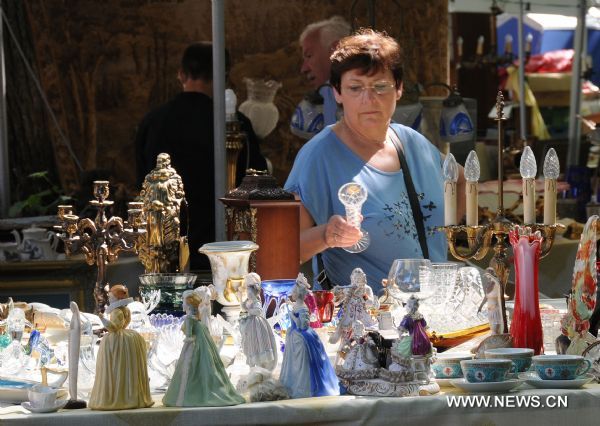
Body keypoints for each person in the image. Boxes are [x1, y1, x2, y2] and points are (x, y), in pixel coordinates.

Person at [284, 29, 465, 294]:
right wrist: (326, 235)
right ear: (337, 92)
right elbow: (286, 248)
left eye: (381, 86)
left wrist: (446, 238)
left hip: (433, 313)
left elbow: (460, 180)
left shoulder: (412, 143)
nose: (369, 99)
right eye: (355, 88)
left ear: (399, 89)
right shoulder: (318, 156)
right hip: (367, 324)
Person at [135, 42, 267, 270]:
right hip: (223, 249)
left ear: (181, 74)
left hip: (166, 249)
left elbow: (142, 182)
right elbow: (258, 183)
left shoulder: (153, 122)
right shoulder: (235, 124)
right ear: (224, 78)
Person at [162, 289, 245, 407]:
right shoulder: (197, 319)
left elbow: (189, 335)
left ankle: (187, 395)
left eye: (183, 301)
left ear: (188, 303)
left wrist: (187, 346)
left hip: (193, 343)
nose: (182, 304)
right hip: (202, 340)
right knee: (207, 363)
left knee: (190, 367)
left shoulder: (189, 319)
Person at [89, 285, 153, 410]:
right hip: (126, 337)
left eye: (111, 297)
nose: (110, 299)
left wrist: (102, 319)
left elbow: (113, 327)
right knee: (126, 366)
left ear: (117, 298)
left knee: (116, 366)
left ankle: (117, 396)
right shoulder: (125, 310)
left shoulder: (117, 311)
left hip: (117, 340)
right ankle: (128, 394)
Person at [279, 273, 339, 399]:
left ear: (299, 294)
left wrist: (292, 317)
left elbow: (303, 326)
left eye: (293, 292)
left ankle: (303, 388)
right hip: (294, 335)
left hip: (302, 337)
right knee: (293, 364)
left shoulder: (303, 308)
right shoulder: (297, 304)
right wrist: (289, 304)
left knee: (302, 364)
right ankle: (292, 385)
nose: (292, 294)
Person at [291, 16, 351, 138]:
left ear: (336, 50)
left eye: (309, 55)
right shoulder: (326, 94)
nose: (304, 69)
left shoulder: (332, 90)